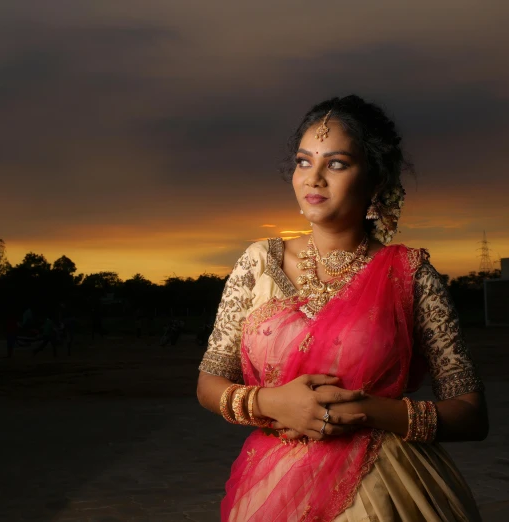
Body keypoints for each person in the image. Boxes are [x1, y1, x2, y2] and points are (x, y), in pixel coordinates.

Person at [196, 96, 487, 522]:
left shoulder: (410, 274)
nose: (313, 178)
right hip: (273, 490)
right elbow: (208, 384)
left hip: (387, 493)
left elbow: (471, 415)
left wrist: (366, 410)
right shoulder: (259, 263)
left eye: (335, 164)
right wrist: (271, 403)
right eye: (302, 162)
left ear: (374, 180)